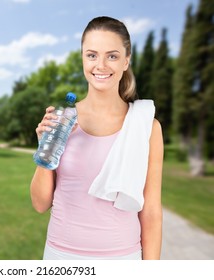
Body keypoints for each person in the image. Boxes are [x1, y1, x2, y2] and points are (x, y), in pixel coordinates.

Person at [30, 16, 163, 260]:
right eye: (92, 55)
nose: (100, 65)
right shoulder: (62, 121)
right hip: (61, 257)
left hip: (123, 258)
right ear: (83, 58)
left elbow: (152, 211)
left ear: (126, 61)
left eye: (112, 56)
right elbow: (40, 204)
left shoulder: (146, 127)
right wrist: (45, 148)